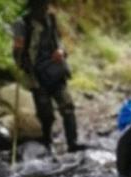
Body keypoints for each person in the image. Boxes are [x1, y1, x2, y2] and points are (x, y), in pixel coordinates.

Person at [12, 0, 85, 153]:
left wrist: (61, 51)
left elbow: (59, 42)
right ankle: (47, 144)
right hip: (36, 75)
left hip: (56, 70)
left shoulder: (51, 19)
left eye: (46, 5)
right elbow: (17, 51)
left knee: (68, 107)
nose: (45, 8)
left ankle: (73, 143)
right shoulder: (21, 24)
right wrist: (19, 58)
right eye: (41, 5)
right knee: (46, 114)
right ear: (33, 6)